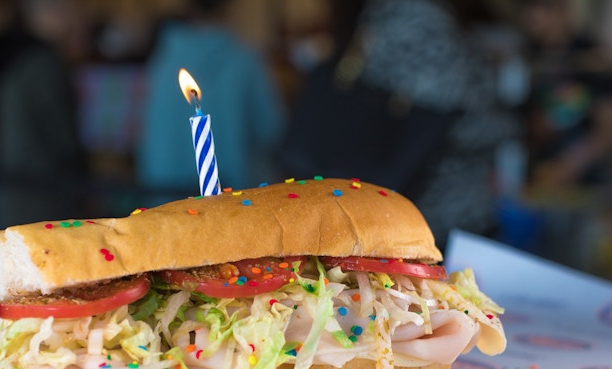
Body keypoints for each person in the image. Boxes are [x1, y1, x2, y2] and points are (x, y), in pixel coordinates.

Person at [281, 0, 520, 250]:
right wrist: (510, 125)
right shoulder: (418, 19)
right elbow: (446, 119)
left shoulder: (377, 16)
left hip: (393, 209)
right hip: (433, 215)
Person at [136, 0, 284, 198]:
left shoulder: (161, 60)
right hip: (233, 198)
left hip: (164, 197)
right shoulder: (245, 62)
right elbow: (272, 131)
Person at [0, 0, 86, 229]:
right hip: (42, 186)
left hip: (10, 178)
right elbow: (61, 137)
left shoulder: (6, 52)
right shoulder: (42, 62)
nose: (75, 21)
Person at [520, 0, 612, 195]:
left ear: (560, 11)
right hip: (535, 175)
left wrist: (571, 164)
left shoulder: (590, 57)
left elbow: (606, 127)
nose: (533, 24)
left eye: (540, 15)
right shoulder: (527, 56)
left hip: (586, 180)